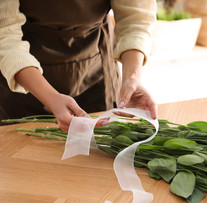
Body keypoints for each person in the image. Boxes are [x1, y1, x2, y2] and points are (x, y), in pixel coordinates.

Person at [0, 0, 157, 132]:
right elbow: (4, 34)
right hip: (23, 78)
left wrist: (132, 77)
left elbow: (136, 18)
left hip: (98, 69)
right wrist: (50, 97)